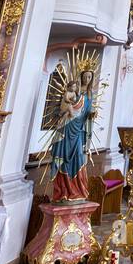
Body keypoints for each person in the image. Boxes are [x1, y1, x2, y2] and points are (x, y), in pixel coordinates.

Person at [46, 68, 96, 202]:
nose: (87, 79)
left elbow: (88, 112)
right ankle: (63, 190)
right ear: (80, 78)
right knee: (62, 155)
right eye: (85, 76)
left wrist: (92, 114)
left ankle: (78, 190)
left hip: (79, 129)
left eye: (89, 77)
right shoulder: (74, 93)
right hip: (68, 126)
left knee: (79, 157)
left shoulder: (90, 94)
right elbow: (64, 107)